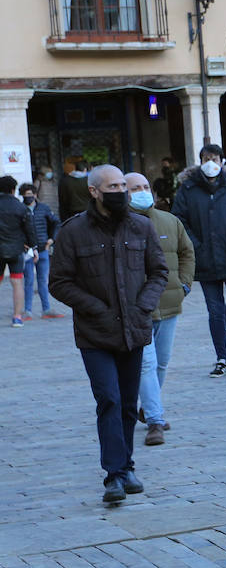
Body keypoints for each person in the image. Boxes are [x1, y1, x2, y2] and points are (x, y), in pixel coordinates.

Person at [49, 164, 168, 503]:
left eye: (123, 186)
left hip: (133, 329)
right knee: (109, 399)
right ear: (94, 191)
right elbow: (58, 282)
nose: (120, 191)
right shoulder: (73, 232)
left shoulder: (141, 226)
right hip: (95, 333)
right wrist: (95, 308)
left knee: (129, 403)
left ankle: (127, 466)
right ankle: (113, 474)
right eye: (112, 186)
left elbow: (159, 272)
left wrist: (143, 305)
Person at [172, 145, 226, 377]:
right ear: (199, 161)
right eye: (206, 158)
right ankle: (222, 357)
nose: (211, 162)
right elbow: (179, 221)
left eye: (215, 158)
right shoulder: (188, 189)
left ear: (222, 160)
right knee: (216, 311)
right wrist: (195, 245)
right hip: (206, 260)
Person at [124, 172, 195, 446]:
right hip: (138, 308)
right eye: (134, 188)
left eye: (145, 186)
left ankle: (148, 405)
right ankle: (155, 420)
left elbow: (187, 253)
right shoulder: (120, 225)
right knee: (146, 364)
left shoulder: (170, 221)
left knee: (161, 362)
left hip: (169, 305)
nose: (142, 191)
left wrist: (184, 285)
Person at [18, 182, 60, 319]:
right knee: (29, 280)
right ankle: (27, 310)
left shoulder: (44, 208)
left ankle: (46, 309)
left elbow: (55, 223)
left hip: (43, 248)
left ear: (35, 195)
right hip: (27, 251)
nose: (27, 197)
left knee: (43, 280)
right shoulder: (19, 210)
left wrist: (52, 239)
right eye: (25, 195)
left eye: (29, 194)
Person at [0, 176, 37, 327]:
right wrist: (34, 248)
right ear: (13, 190)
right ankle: (17, 317)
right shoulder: (21, 207)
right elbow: (30, 230)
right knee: (17, 282)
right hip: (16, 250)